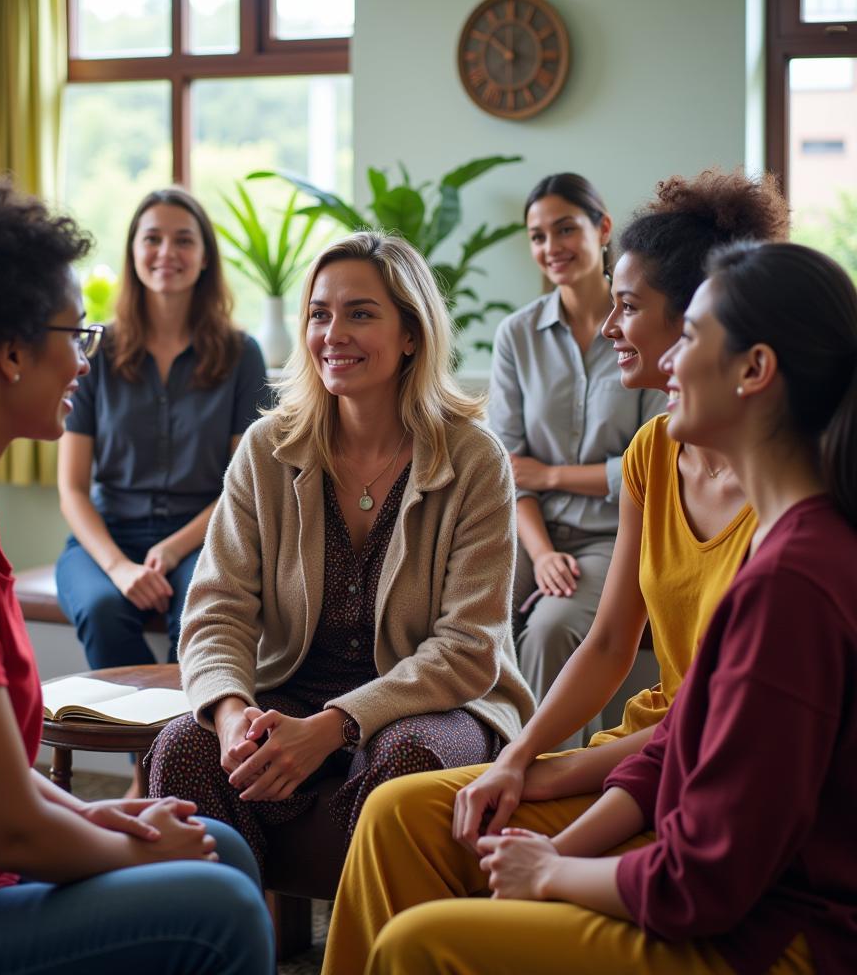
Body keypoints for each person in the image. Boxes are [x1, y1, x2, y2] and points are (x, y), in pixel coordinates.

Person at [320, 169, 790, 975]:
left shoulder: (788, 508)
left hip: (684, 769)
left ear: (705, 320)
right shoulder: (654, 451)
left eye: (630, 306)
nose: (612, 324)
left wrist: (554, 782)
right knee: (399, 811)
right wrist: (518, 757)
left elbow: (712, 741)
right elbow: (612, 641)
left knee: (438, 905)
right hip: (643, 748)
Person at [0, 184, 274, 975]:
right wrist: (132, 849)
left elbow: (5, 789)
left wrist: (112, 819)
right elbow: (12, 831)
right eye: (75, 334)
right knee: (223, 905)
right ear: (9, 353)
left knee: (221, 847)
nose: (84, 356)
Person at [146, 231, 535, 870]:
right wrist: (232, 716)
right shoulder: (266, 449)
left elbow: (470, 649)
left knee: (408, 762)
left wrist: (334, 727)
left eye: (361, 313)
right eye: (320, 314)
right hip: (291, 691)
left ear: (411, 333)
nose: (334, 333)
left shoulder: (473, 458)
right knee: (182, 747)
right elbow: (216, 611)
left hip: (433, 702)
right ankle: (225, 940)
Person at [56, 187, 267, 671]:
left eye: (183, 240)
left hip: (206, 536)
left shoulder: (242, 353)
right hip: (107, 538)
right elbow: (71, 489)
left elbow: (245, 486)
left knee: (198, 618)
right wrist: (119, 568)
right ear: (133, 253)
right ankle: (143, 750)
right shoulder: (97, 351)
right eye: (152, 238)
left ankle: (181, 746)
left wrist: (171, 549)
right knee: (102, 608)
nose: (167, 253)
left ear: (205, 257)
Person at [489, 173, 665, 748]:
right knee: (453, 612)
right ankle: (462, 759)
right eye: (538, 236)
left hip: (614, 539)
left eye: (565, 228)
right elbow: (511, 472)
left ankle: (545, 786)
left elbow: (648, 461)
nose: (551, 247)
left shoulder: (641, 328)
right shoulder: (517, 335)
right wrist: (539, 553)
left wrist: (552, 474)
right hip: (529, 535)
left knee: (550, 628)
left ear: (603, 228)